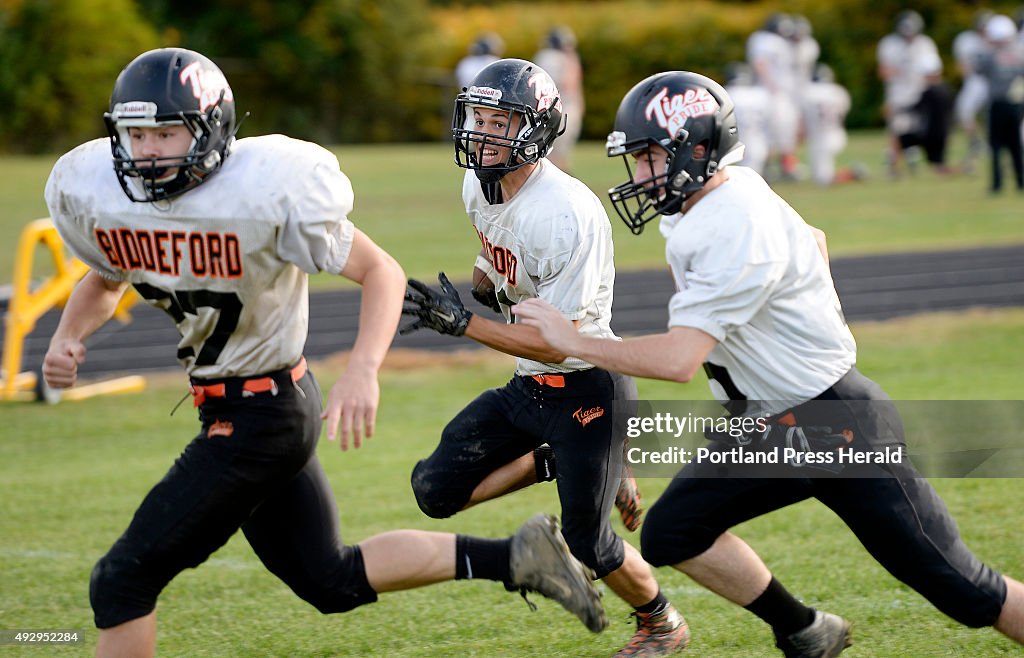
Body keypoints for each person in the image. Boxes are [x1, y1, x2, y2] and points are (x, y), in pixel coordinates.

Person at [41, 47, 607, 658]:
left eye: (166, 133)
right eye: (137, 134)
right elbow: (104, 278)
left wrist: (363, 368)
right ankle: (518, 557)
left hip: (262, 414)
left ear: (209, 131)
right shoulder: (106, 194)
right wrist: (68, 335)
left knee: (122, 580)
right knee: (329, 579)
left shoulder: (267, 189)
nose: (149, 150)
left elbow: (380, 270)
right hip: (240, 407)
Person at [515, 70, 1024, 657]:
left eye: (652, 156)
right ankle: (805, 630)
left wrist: (569, 340)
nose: (641, 174)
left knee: (962, 589)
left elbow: (680, 360)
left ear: (698, 149)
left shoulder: (732, 221)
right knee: (673, 531)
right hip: (778, 423)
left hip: (836, 426)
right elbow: (814, 238)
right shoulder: (714, 196)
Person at [401, 58, 689, 657]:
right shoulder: (478, 182)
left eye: (499, 122)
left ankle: (662, 622)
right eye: (477, 117)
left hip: (587, 387)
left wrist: (467, 323)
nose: (481, 132)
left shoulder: (566, 213)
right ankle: (557, 459)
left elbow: (559, 341)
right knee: (435, 488)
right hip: (530, 386)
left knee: (591, 543)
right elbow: (495, 248)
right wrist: (481, 284)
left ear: (535, 131)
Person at [877, 10, 941, 177]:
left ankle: (921, 162)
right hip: (898, 94)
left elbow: (934, 72)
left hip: (920, 93)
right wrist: (901, 72)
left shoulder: (925, 44)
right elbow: (883, 71)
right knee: (896, 131)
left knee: (920, 130)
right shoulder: (889, 44)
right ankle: (894, 167)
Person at [747, 13, 801, 180]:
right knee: (771, 131)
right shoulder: (764, 39)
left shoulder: (773, 41)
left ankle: (784, 166)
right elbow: (760, 63)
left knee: (784, 131)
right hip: (770, 93)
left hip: (777, 93)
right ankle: (769, 167)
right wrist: (772, 86)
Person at [975, 14, 1024, 193]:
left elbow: (979, 70)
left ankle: (997, 184)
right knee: (1016, 145)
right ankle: (1020, 181)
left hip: (997, 103)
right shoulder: (1019, 51)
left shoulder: (990, 53)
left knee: (996, 146)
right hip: (1016, 104)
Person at [534, 26, 585, 172]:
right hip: (561, 106)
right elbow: (568, 84)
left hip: (548, 107)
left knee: (551, 149)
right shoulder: (555, 58)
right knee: (557, 151)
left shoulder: (544, 56)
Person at [898, 51, 955, 175]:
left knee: (903, 139)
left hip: (930, 135)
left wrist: (898, 110)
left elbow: (916, 108)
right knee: (939, 166)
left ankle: (906, 164)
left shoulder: (929, 92)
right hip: (944, 134)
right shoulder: (947, 89)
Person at [952, 10, 995, 174]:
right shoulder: (966, 40)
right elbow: (962, 66)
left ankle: (992, 144)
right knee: (963, 112)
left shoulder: (995, 39)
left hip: (992, 81)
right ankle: (976, 142)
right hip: (974, 81)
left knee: (992, 114)